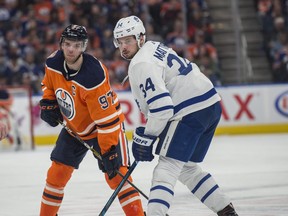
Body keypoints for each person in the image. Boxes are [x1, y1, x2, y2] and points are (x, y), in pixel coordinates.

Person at [113, 15, 238, 216]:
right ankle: (225, 210)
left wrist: (147, 136)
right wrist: (150, 134)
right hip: (210, 105)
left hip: (190, 110)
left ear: (140, 38)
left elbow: (162, 107)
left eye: (128, 40)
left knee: (166, 168)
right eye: (120, 42)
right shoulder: (153, 46)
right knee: (187, 167)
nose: (124, 46)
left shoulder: (140, 63)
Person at [39, 24, 144, 216]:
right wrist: (48, 102)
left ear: (84, 47)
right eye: (68, 44)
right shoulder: (52, 62)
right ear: (62, 43)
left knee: (116, 177)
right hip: (74, 128)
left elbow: (107, 121)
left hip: (104, 130)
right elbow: (49, 86)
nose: (71, 49)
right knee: (56, 175)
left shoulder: (93, 75)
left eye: (77, 45)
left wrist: (109, 151)